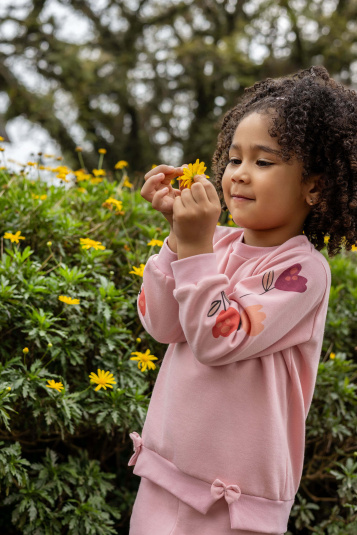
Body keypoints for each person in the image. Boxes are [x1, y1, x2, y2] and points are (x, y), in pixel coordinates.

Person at [127, 65, 357, 535]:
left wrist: (194, 249)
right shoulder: (219, 245)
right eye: (233, 160)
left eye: (264, 162)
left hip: (230, 502)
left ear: (314, 186)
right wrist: (178, 240)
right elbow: (163, 324)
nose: (239, 175)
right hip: (165, 473)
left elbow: (218, 340)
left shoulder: (301, 273)